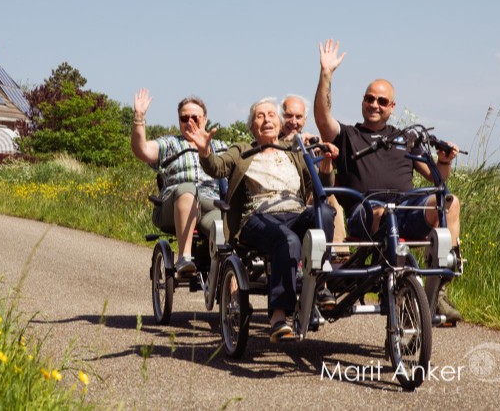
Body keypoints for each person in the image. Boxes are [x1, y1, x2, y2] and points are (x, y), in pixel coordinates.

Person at [313, 38, 463, 323]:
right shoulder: (347, 135)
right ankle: (394, 290)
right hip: (366, 212)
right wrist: (326, 75)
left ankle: (439, 287)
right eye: (369, 99)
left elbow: (436, 179)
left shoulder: (405, 138)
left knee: (450, 202)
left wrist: (444, 161)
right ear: (362, 102)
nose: (374, 104)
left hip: (406, 208)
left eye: (382, 101)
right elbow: (322, 117)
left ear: (392, 107)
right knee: (385, 212)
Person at [185, 98, 337, 342]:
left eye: (271, 115)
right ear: (252, 126)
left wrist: (327, 166)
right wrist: (205, 151)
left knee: (326, 214)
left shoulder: (294, 152)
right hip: (256, 217)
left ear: (279, 123)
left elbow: (320, 188)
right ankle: (278, 317)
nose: (267, 119)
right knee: (287, 241)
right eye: (260, 116)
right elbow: (217, 167)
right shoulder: (242, 150)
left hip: (295, 211)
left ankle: (320, 286)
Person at [130, 89, 227, 275]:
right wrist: (139, 118)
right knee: (187, 189)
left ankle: (231, 292)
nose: (190, 122)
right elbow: (140, 150)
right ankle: (184, 258)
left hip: (209, 204)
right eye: (184, 118)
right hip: (174, 204)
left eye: (195, 118)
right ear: (179, 121)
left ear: (205, 120)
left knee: (223, 227)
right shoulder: (171, 144)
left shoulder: (220, 147)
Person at [280, 94, 347, 306]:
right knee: (323, 203)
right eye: (288, 115)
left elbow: (325, 182)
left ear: (305, 120)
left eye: (298, 117)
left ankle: (336, 256)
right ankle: (324, 273)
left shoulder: (312, 143)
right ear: (280, 117)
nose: (293, 121)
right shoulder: (271, 140)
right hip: (284, 201)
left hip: (308, 200)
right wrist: (291, 144)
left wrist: (326, 159)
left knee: (331, 200)